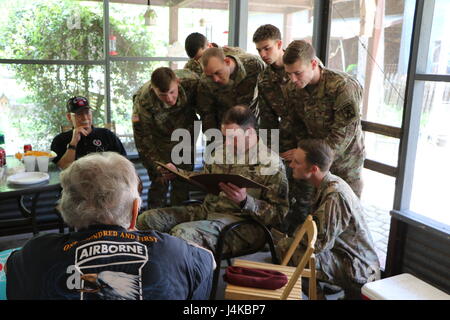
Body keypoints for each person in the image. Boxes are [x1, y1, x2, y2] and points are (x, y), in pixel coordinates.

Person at [5, 152, 214, 300]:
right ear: (134, 211)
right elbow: (209, 260)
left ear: (66, 208)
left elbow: (10, 267)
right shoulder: (173, 250)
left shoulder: (35, 253)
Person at [137, 105, 289, 257]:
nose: (227, 143)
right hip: (207, 212)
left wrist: (245, 201)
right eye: (225, 137)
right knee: (147, 220)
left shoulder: (271, 164)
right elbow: (205, 178)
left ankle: (181, 278)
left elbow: (279, 214)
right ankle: (156, 271)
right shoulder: (220, 153)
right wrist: (177, 173)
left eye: (232, 138)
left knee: (181, 235)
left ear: (249, 132)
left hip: (243, 226)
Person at [276, 139, 380, 300]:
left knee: (289, 249)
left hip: (358, 268)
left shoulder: (335, 195)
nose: (291, 165)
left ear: (313, 169)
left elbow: (318, 244)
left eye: (297, 162)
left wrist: (295, 235)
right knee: (291, 246)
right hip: (343, 256)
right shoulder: (326, 184)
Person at [282, 40, 365, 198]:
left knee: (344, 213)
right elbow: (297, 126)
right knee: (316, 211)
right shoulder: (292, 89)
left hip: (345, 163)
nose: (292, 79)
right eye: (288, 73)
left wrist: (310, 157)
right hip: (313, 163)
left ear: (313, 64)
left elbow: (343, 136)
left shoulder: (342, 87)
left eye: (298, 73)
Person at [253, 24, 315, 235]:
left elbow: (316, 115)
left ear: (279, 44)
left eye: (267, 48)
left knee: (306, 201)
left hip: (309, 146)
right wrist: (269, 152)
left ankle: (302, 249)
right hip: (284, 145)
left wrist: (303, 150)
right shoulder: (264, 78)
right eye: (259, 50)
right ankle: (283, 245)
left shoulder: (303, 65)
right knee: (282, 197)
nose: (263, 54)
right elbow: (267, 120)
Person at [132, 67, 199, 209]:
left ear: (178, 82)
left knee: (183, 181)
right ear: (153, 89)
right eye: (162, 95)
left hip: (185, 137)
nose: (169, 98)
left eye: (172, 92)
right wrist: (158, 166)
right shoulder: (143, 100)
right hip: (158, 141)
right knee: (160, 181)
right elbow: (143, 139)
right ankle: (152, 223)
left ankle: (180, 219)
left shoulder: (191, 82)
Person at [197, 47, 265, 133]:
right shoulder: (205, 82)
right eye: (210, 76)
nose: (215, 79)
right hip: (226, 132)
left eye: (217, 73)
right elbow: (207, 115)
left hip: (252, 129)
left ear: (227, 62)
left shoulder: (254, 65)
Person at [51, 96, 127, 169]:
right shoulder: (60, 140)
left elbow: (124, 162)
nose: (85, 117)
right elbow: (62, 168)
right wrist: (73, 143)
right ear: (69, 117)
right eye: (79, 114)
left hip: (105, 179)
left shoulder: (107, 135)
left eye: (87, 112)